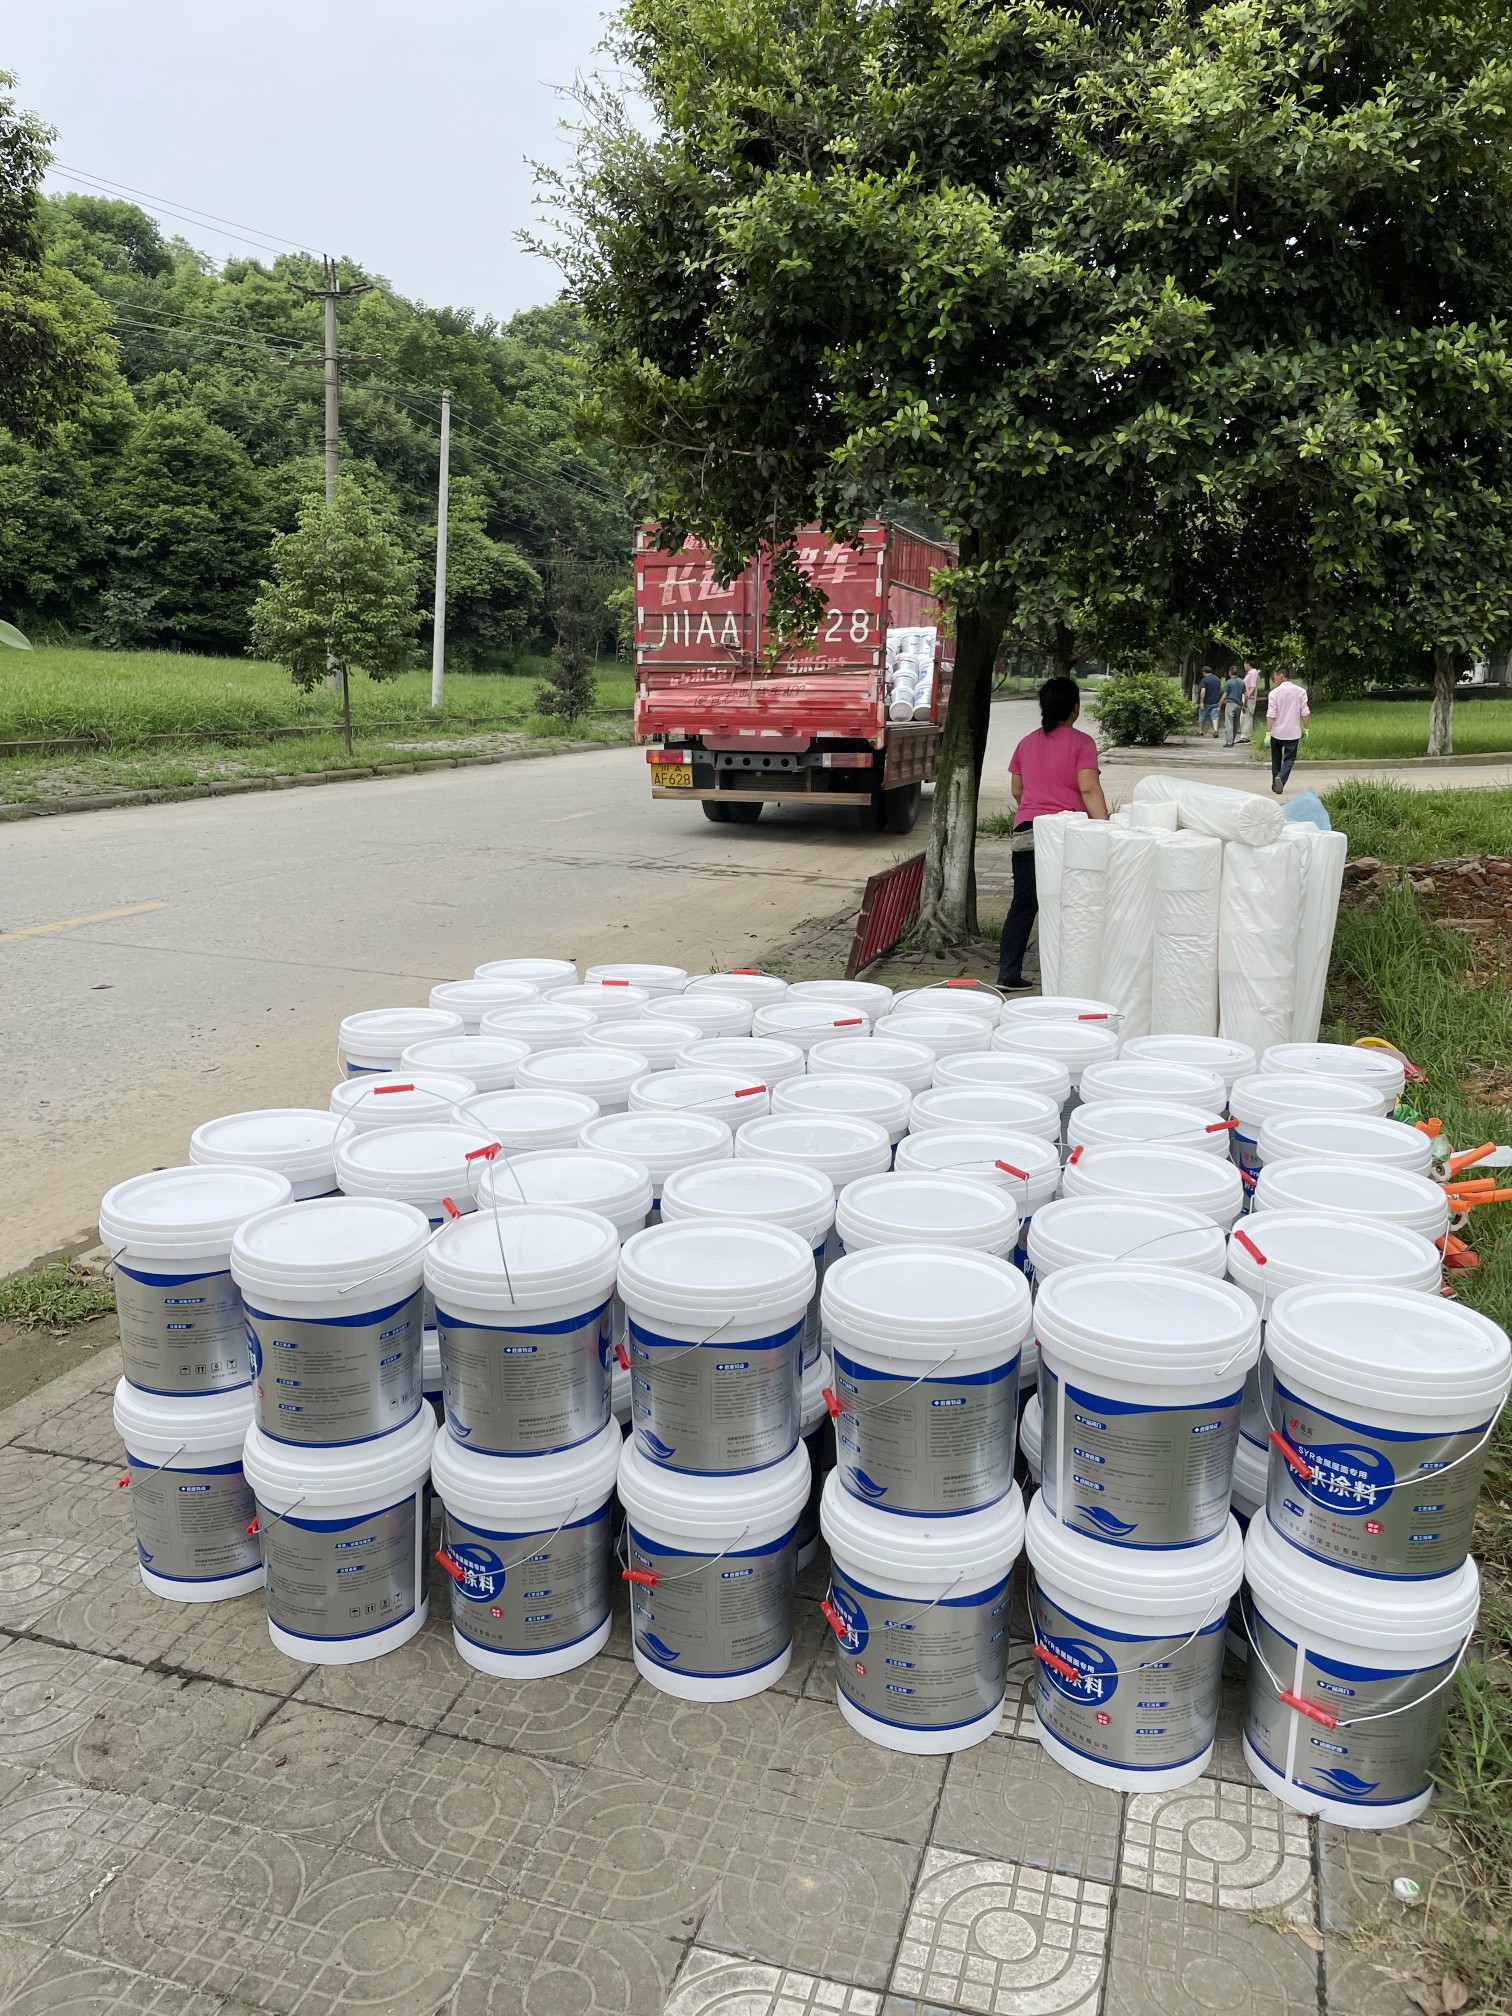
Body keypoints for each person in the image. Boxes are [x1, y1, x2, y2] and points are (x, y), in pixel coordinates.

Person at [997, 675, 1109, 990]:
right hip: (1066, 834)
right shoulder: (1082, 743)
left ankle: (1007, 974)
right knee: (1070, 904)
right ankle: (1067, 978)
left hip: (1028, 831)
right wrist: (1105, 828)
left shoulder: (1026, 743)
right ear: (1075, 708)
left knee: (1024, 904)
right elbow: (1088, 788)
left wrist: (1035, 810)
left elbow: (1017, 790)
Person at [1266, 668, 1310, 793]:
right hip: (1293, 732)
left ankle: (1275, 784)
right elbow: (1305, 713)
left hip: (1277, 732)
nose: (1274, 680)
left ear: (1281, 676)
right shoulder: (1300, 692)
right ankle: (1281, 778)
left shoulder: (1274, 693)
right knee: (1289, 759)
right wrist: (1306, 729)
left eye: (1275, 677)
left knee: (1276, 759)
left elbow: (1271, 715)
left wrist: (1268, 733)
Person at [1220, 667, 1247, 746]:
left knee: (1229, 723)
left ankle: (1229, 742)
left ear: (1230, 672)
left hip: (1230, 704)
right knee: (1235, 723)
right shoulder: (1242, 682)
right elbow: (1246, 695)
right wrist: (1244, 705)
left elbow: (1224, 695)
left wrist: (1220, 705)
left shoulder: (1228, 682)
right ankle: (1233, 740)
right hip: (1239, 705)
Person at [1196, 664, 1222, 736]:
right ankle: (1215, 730)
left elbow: (1203, 691)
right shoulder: (1217, 679)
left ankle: (1200, 731)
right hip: (1215, 701)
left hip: (1206, 702)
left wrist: (1201, 702)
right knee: (1215, 716)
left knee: (1202, 716)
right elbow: (1219, 690)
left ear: (1204, 672)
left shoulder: (1204, 680)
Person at [1241, 661, 1259, 740]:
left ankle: (1246, 735)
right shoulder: (1249, 673)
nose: (1244, 666)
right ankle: (1245, 734)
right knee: (1244, 716)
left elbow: (1252, 687)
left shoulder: (1253, 673)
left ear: (1248, 664)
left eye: (1244, 664)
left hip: (1248, 699)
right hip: (1246, 698)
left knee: (1246, 716)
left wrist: (1247, 698)